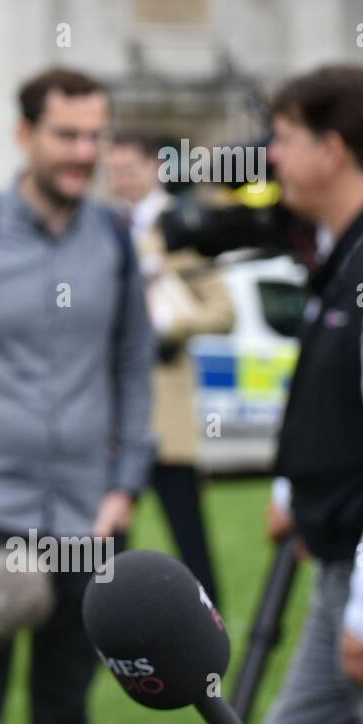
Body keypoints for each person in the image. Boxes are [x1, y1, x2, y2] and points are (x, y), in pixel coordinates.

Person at [0, 68, 155, 724]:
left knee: (65, 708)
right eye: (66, 135)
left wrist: (124, 486)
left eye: (94, 136)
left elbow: (133, 365)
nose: (83, 152)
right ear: (24, 134)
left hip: (87, 518)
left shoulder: (114, 240)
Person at [262, 65, 363, 724]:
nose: (270, 154)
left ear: (332, 148)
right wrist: (297, 494)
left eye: (284, 135)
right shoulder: (349, 249)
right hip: (339, 569)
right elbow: (338, 404)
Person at [108, 130, 234, 608]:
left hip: (166, 412)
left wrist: (168, 323)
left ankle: (208, 626)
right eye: (114, 170)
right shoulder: (104, 225)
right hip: (113, 412)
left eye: (129, 168)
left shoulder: (181, 226)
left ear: (156, 168)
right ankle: (105, 631)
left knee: (189, 536)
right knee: (107, 539)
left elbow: (223, 312)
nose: (120, 179)